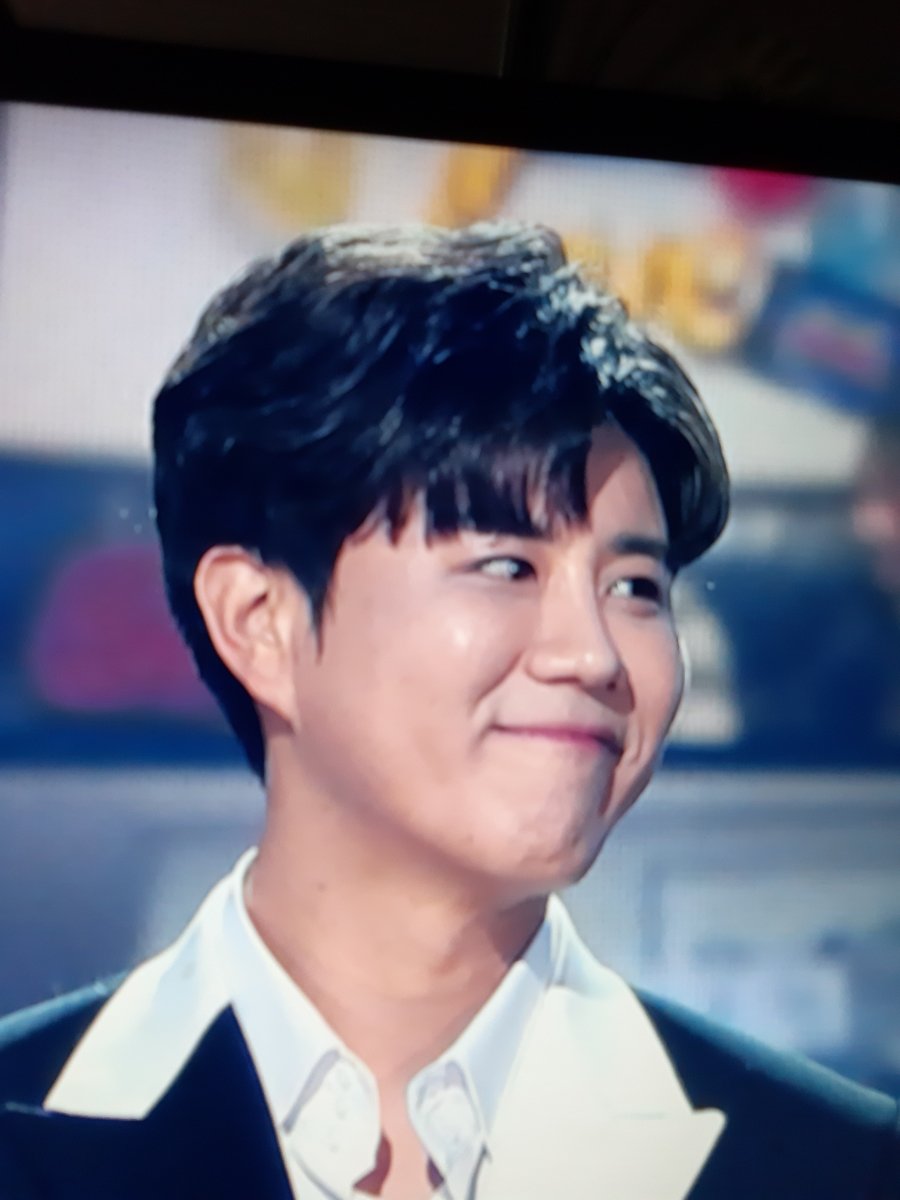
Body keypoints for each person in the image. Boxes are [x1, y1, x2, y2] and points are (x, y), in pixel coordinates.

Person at [0, 222, 897, 1200]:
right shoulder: (26, 1126)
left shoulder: (837, 1167)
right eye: (506, 567)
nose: (594, 654)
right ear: (259, 622)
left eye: (635, 587)